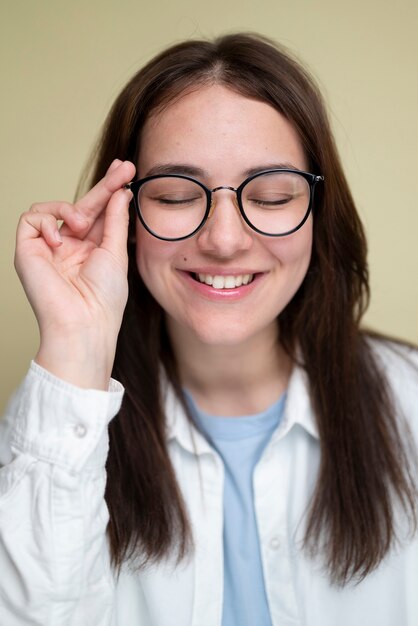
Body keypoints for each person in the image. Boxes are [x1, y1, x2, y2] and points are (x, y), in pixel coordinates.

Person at [0, 32, 417, 626]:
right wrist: (75, 341)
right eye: (175, 195)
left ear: (318, 216)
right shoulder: (52, 429)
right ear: (128, 217)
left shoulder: (411, 402)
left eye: (271, 197)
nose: (224, 240)